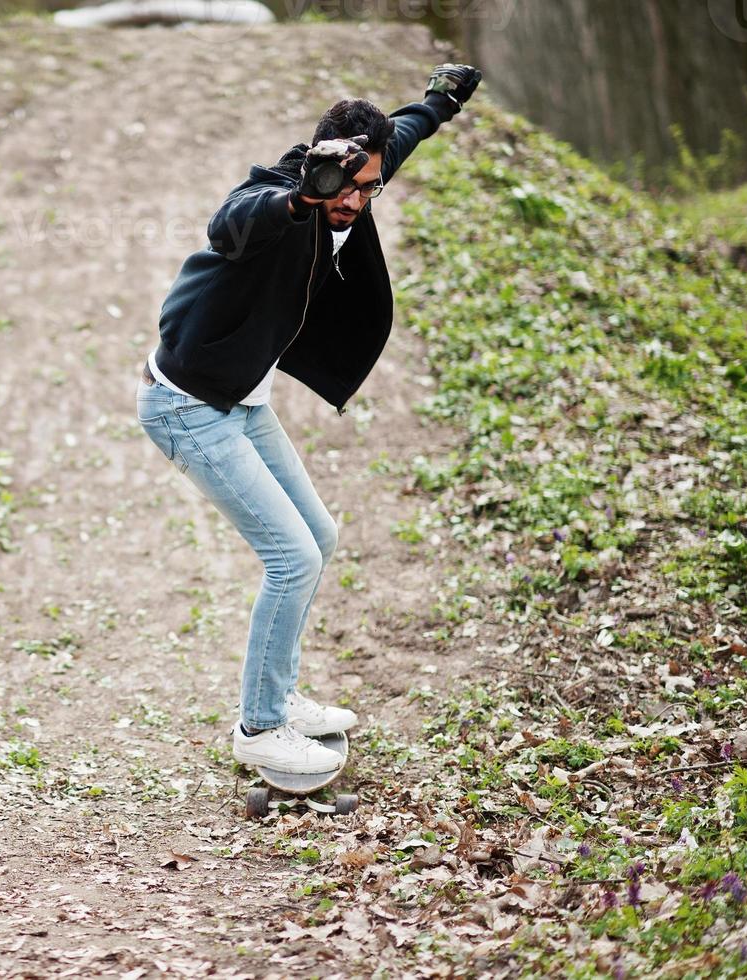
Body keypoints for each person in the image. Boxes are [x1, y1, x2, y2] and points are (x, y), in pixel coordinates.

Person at [136, 64, 483, 775]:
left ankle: (281, 695)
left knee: (316, 538)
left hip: (241, 402)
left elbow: (404, 134)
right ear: (319, 161)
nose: (356, 200)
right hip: (188, 406)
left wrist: (438, 103)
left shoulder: (367, 173)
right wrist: (301, 197)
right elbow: (232, 223)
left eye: (369, 186)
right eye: (346, 184)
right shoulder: (276, 196)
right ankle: (259, 727)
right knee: (290, 558)